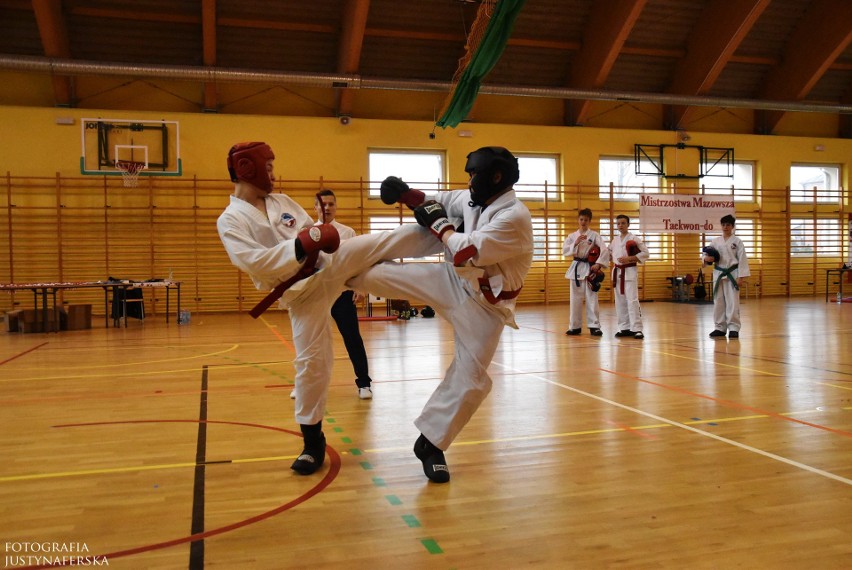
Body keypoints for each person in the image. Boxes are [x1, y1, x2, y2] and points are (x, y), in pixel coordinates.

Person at [217, 142, 439, 477]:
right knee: (312, 364)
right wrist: (300, 245)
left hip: (331, 266)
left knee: (380, 243)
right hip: (301, 294)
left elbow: (311, 229)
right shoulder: (231, 220)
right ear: (248, 169)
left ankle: (448, 233)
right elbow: (255, 262)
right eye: (270, 168)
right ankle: (312, 443)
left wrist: (320, 237)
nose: (274, 175)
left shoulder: (282, 202)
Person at [348, 146, 534, 484]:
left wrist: (442, 226)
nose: (468, 179)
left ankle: (431, 443)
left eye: (473, 173)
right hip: (452, 281)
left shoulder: (515, 218)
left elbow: (464, 249)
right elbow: (436, 201)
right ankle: (325, 267)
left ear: (495, 177)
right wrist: (404, 193)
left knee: (471, 380)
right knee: (372, 277)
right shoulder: (473, 196)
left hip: (487, 309)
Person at [316, 188, 374, 399]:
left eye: (331, 204)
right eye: (323, 204)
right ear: (316, 208)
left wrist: (360, 287)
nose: (327, 208)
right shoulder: (306, 233)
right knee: (311, 342)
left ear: (336, 207)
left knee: (352, 339)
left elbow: (357, 262)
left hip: (341, 294)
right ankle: (306, 384)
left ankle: (364, 384)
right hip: (316, 296)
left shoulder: (347, 233)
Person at [562, 208, 609, 336]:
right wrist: (575, 243)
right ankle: (575, 326)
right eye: (581, 219)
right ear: (578, 220)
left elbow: (604, 250)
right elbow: (565, 251)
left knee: (592, 298)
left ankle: (594, 326)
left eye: (586, 220)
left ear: (589, 221)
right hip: (576, 267)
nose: (583, 222)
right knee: (575, 299)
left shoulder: (594, 235)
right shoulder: (572, 236)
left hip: (590, 268)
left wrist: (599, 264)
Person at [704, 214, 750, 339]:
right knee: (718, 301)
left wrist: (741, 277)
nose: (725, 227)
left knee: (732, 302)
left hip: (732, 274)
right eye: (723, 225)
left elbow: (742, 259)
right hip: (718, 273)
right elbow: (706, 255)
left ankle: (734, 328)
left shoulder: (737, 242)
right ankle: (719, 327)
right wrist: (707, 259)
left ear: (732, 226)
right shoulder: (715, 241)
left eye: (728, 225)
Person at [607, 214, 650, 339]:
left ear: (628, 224)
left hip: (629, 271)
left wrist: (630, 258)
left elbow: (645, 253)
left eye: (623, 223)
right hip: (617, 272)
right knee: (620, 301)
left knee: (632, 300)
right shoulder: (615, 240)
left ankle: (637, 328)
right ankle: (624, 327)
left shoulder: (634, 238)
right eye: (618, 223)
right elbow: (609, 253)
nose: (620, 225)